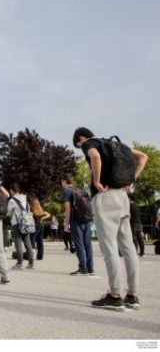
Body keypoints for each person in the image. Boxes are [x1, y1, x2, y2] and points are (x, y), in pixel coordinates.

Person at [73, 127, 148, 311]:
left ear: (81, 138)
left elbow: (95, 156)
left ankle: (114, 295)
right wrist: (130, 180)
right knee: (128, 247)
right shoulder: (118, 145)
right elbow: (143, 157)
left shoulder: (90, 143)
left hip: (105, 197)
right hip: (122, 197)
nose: (81, 148)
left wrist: (97, 181)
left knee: (110, 248)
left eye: (78, 145)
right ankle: (132, 294)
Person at [61, 174, 94, 276]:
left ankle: (83, 268)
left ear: (64, 181)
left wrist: (66, 223)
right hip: (87, 219)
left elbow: (68, 209)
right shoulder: (79, 190)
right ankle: (90, 268)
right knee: (88, 244)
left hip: (76, 220)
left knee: (79, 244)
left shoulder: (67, 191)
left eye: (62, 181)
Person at [7, 184, 34, 270]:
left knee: (18, 243)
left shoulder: (12, 200)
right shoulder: (25, 198)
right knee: (27, 242)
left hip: (17, 223)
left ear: (11, 190)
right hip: (27, 223)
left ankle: (19, 263)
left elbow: (8, 212)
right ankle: (31, 263)